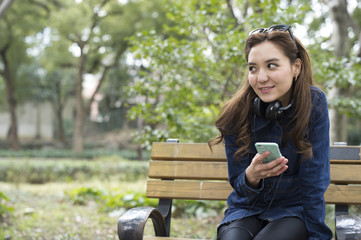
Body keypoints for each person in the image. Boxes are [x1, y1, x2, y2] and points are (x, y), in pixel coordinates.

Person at [209, 24, 333, 240]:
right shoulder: (236, 111)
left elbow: (314, 182)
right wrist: (251, 176)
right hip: (246, 208)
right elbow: (237, 183)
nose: (261, 77)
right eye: (253, 68)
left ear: (296, 67)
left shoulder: (314, 104)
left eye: (272, 65)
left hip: (294, 211)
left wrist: (316, 236)